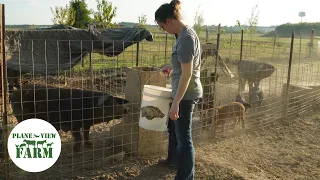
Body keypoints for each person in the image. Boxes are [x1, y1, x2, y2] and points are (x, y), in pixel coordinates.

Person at [154, 0, 203, 179]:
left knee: (185, 140)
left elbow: (187, 74)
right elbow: (183, 67)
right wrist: (172, 67)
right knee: (176, 132)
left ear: (168, 21)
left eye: (161, 26)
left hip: (186, 95)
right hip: (182, 92)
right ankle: (173, 161)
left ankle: (184, 177)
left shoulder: (186, 38)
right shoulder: (183, 35)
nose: (163, 30)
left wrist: (176, 103)